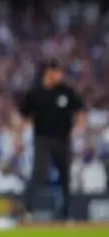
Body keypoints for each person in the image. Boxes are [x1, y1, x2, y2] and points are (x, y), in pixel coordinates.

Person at [17, 59, 85, 221]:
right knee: (39, 173)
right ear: (48, 72)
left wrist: (79, 127)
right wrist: (18, 138)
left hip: (63, 138)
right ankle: (28, 207)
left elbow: (79, 110)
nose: (60, 76)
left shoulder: (66, 91)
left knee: (65, 174)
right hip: (43, 138)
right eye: (57, 72)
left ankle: (65, 211)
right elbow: (24, 117)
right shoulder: (35, 93)